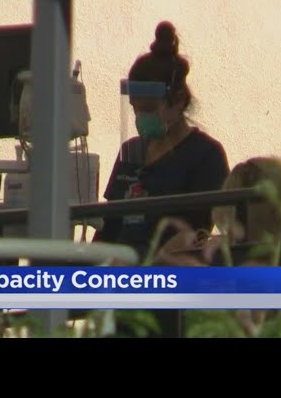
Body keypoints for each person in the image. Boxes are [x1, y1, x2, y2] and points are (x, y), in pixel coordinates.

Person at [92, 21, 230, 337]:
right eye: (135, 110)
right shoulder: (132, 152)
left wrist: (146, 269)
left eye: (149, 109)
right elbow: (109, 225)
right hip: (118, 294)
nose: (141, 119)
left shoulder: (205, 155)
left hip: (167, 295)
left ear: (178, 101)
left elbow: (194, 235)